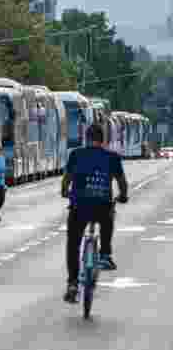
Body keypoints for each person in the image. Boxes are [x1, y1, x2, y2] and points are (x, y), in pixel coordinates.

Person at [61, 123, 129, 303]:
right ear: (103, 140)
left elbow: (67, 178)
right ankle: (105, 254)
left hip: (79, 207)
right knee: (109, 212)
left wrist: (64, 191)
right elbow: (122, 182)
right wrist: (123, 196)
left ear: (86, 138)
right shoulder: (112, 157)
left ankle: (73, 283)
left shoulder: (76, 154)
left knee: (73, 244)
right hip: (101, 206)